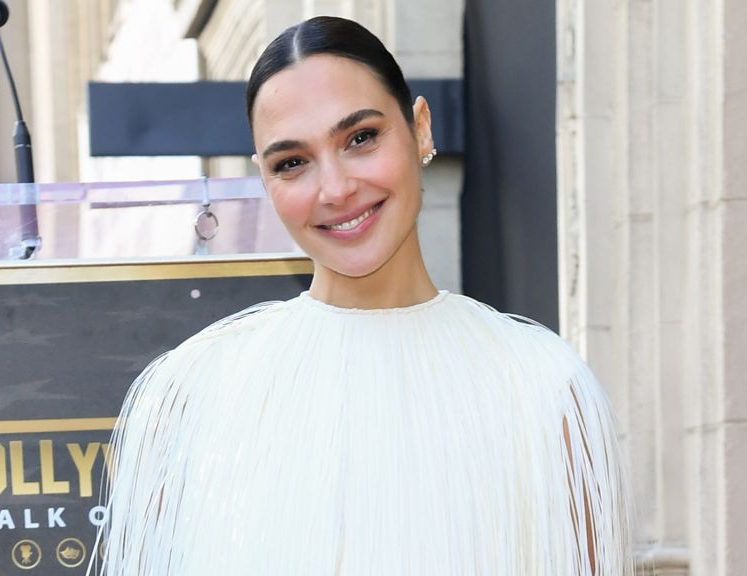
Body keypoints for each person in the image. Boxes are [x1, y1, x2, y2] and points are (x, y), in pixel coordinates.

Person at [98, 16, 630, 576]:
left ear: (420, 128)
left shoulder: (546, 391)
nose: (335, 189)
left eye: (361, 138)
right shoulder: (188, 397)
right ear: (265, 179)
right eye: (292, 163)